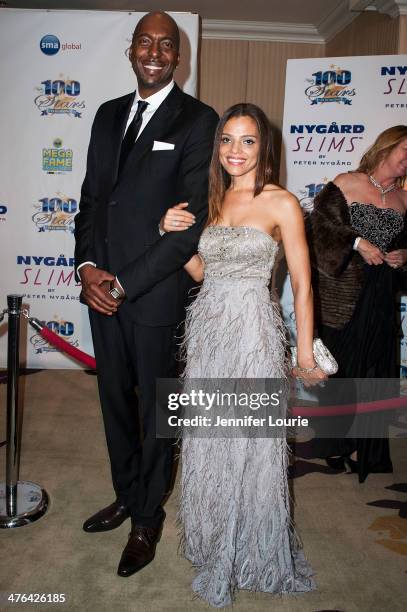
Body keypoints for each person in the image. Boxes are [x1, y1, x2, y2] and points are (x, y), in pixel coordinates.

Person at [160, 103, 325, 607]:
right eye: (227, 140)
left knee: (248, 442)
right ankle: (215, 540)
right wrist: (170, 235)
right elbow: (201, 274)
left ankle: (250, 547)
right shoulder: (210, 200)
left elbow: (301, 285)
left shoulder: (282, 204)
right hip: (208, 330)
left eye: (247, 140)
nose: (235, 150)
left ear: (263, 147)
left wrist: (302, 353)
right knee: (210, 438)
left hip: (253, 331)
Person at [74, 11, 218, 577]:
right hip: (99, 291)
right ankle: (129, 493)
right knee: (114, 402)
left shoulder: (198, 120)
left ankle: (148, 517)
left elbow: (189, 226)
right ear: (130, 50)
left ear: (178, 57)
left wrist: (124, 282)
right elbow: (91, 201)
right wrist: (88, 268)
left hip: (153, 295)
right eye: (144, 42)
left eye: (166, 44)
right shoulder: (108, 115)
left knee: (158, 412)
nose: (154, 51)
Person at [307, 125, 407, 483]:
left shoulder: (403, 200)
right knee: (341, 371)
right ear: (388, 146)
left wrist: (402, 256)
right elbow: (317, 226)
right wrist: (357, 243)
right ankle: (334, 440)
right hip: (342, 290)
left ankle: (363, 448)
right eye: (406, 150)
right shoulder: (347, 182)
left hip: (380, 295)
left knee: (375, 371)